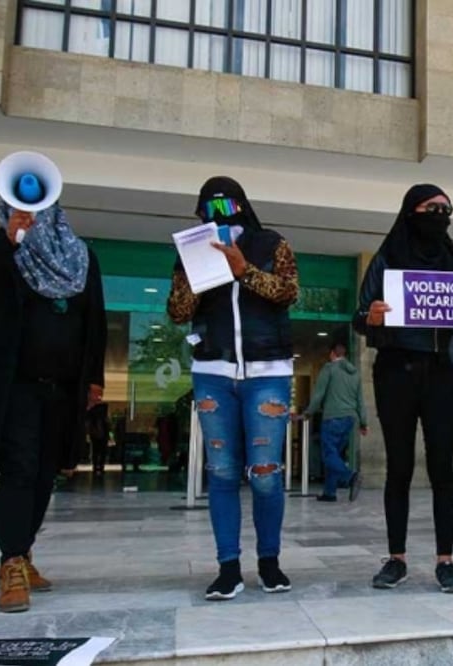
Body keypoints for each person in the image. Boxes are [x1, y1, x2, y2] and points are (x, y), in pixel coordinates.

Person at [0, 200, 106, 613]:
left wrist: (94, 378)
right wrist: (7, 242)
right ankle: (12, 562)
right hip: (14, 385)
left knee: (46, 472)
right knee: (18, 467)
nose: (32, 217)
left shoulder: (80, 255)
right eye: (20, 208)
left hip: (64, 386)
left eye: (40, 209)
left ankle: (22, 552)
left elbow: (95, 320)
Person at [354, 184, 453, 594]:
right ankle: (396, 559)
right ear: (411, 210)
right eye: (431, 207)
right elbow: (359, 317)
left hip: (440, 373)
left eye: (447, 208)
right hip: (396, 371)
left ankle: (445, 560)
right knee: (399, 466)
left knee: (442, 467)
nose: (440, 213)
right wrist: (374, 316)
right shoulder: (387, 258)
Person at [167, 176, 299, 601]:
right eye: (210, 208)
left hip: (267, 371)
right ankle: (228, 567)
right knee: (221, 473)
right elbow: (177, 311)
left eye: (227, 206)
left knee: (265, 473)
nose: (219, 215)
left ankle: (269, 562)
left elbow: (288, 292)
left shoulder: (272, 243)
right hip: (213, 369)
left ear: (243, 205)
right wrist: (194, 272)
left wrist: (244, 271)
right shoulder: (191, 250)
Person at [300, 335, 368, 503]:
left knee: (328, 455)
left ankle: (350, 476)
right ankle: (330, 493)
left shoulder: (329, 369)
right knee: (335, 454)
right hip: (350, 419)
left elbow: (319, 394)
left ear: (332, 354)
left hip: (333, 418)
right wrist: (363, 422)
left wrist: (308, 412)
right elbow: (361, 400)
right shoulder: (355, 374)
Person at [86, 401, 110, 476]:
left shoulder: (94, 417)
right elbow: (107, 427)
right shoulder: (103, 418)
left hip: (96, 436)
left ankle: (96, 467)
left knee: (96, 452)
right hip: (101, 437)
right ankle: (100, 467)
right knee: (101, 452)